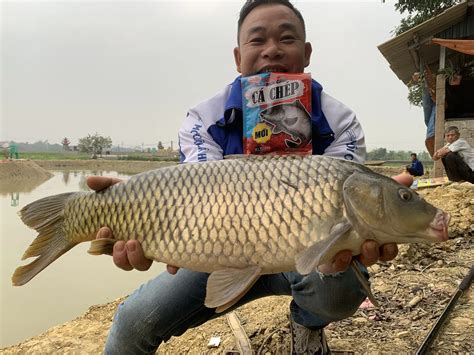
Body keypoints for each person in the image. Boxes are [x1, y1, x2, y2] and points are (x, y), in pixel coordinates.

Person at [87, 1, 410, 353]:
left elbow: (346, 217)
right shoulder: (203, 118)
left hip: (309, 254)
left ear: (306, 52)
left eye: (286, 38)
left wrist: (382, 214)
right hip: (217, 250)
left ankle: (308, 322)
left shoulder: (339, 119)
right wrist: (134, 203)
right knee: (131, 323)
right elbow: (189, 194)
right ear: (238, 57)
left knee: (338, 287)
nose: (272, 50)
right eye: (258, 41)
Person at [412, 66, 436, 157]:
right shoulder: (427, 86)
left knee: (430, 119)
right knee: (427, 119)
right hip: (431, 97)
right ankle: (430, 135)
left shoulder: (435, 78)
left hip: (436, 101)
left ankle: (431, 136)